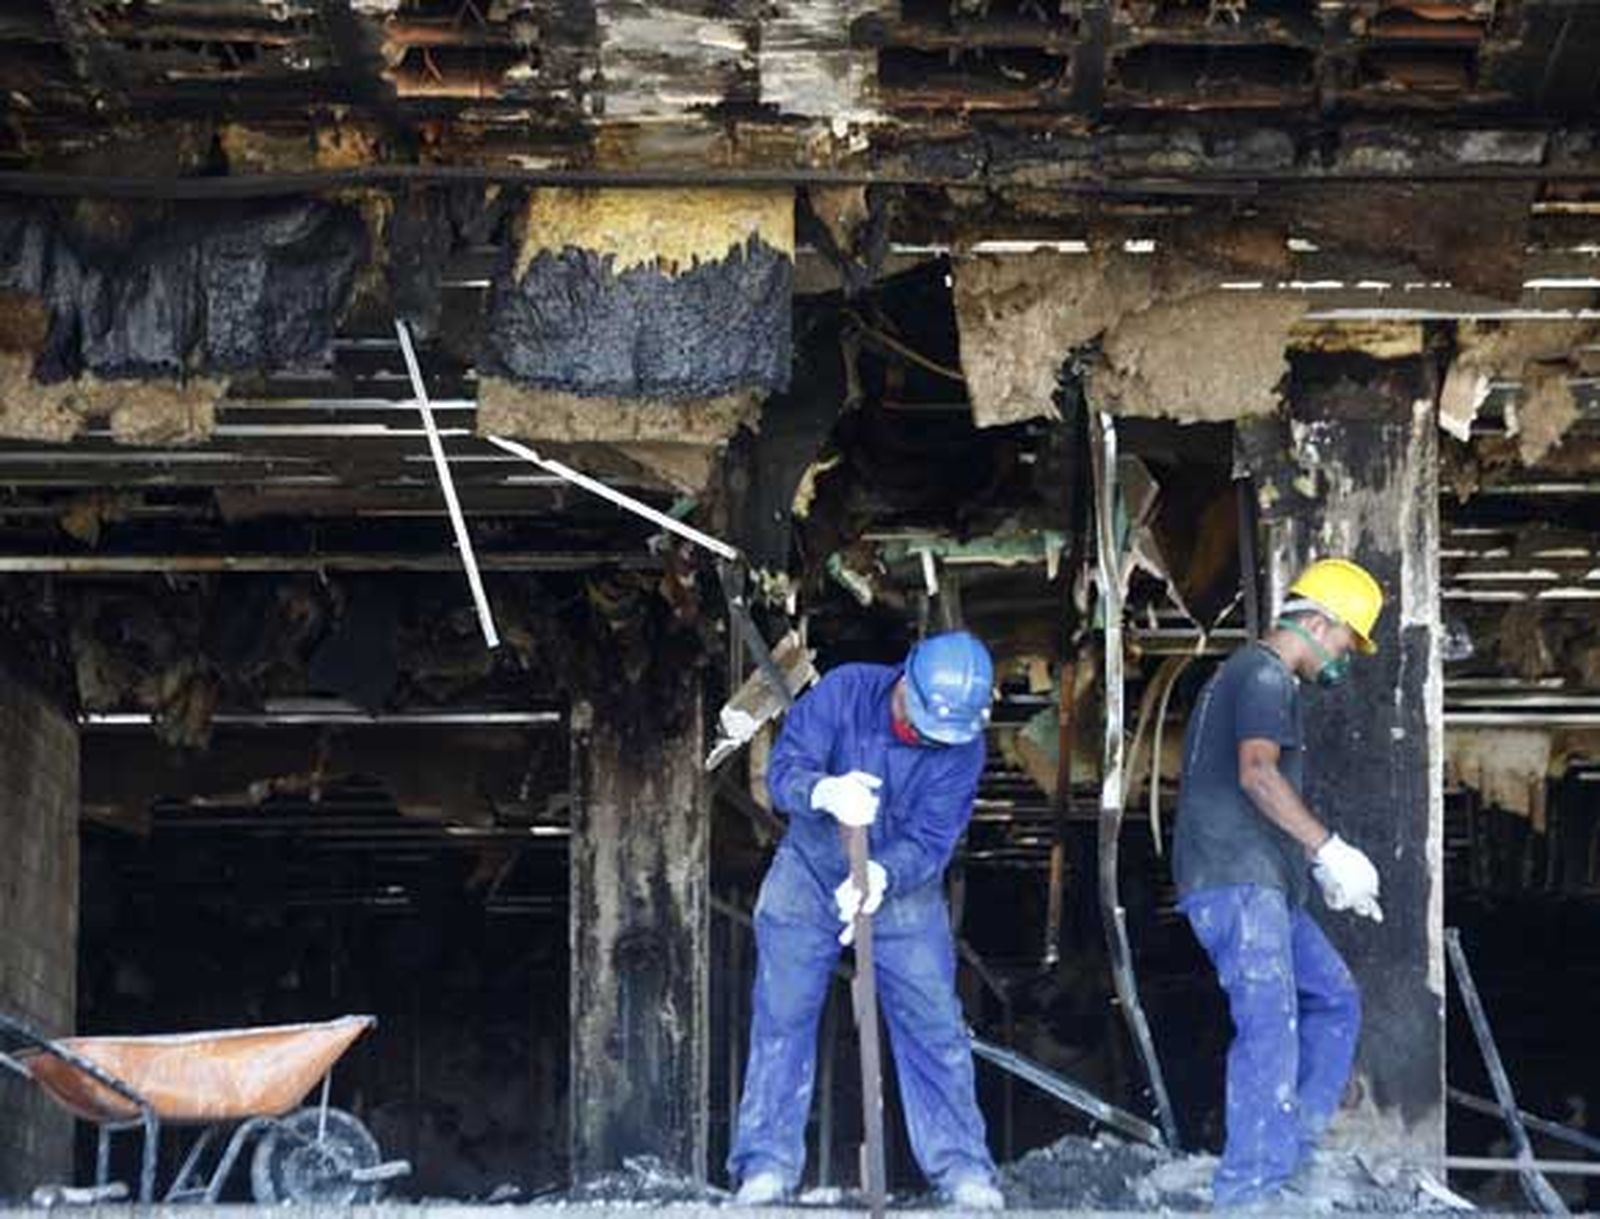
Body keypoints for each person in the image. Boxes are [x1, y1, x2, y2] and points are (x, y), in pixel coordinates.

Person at [729, 630, 1003, 1210]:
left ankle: (962, 1169)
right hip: (808, 871)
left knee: (934, 1024)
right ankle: (766, 1166)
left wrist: (882, 875)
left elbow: (932, 839)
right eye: (919, 722)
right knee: (783, 1015)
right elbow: (783, 774)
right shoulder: (845, 691)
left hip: (899, 885)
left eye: (938, 735)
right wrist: (823, 791)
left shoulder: (963, 747)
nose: (924, 737)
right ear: (906, 678)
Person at [1172, 558, 1387, 1209]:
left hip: (1258, 882)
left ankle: (1289, 1156)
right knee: (1269, 1024)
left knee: (1335, 997)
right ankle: (1249, 1190)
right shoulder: (1265, 674)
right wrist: (1330, 849)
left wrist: (1311, 866)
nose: (1344, 656)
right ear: (1318, 623)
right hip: (1237, 881)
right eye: (1345, 640)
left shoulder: (1246, 677)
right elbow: (1258, 774)